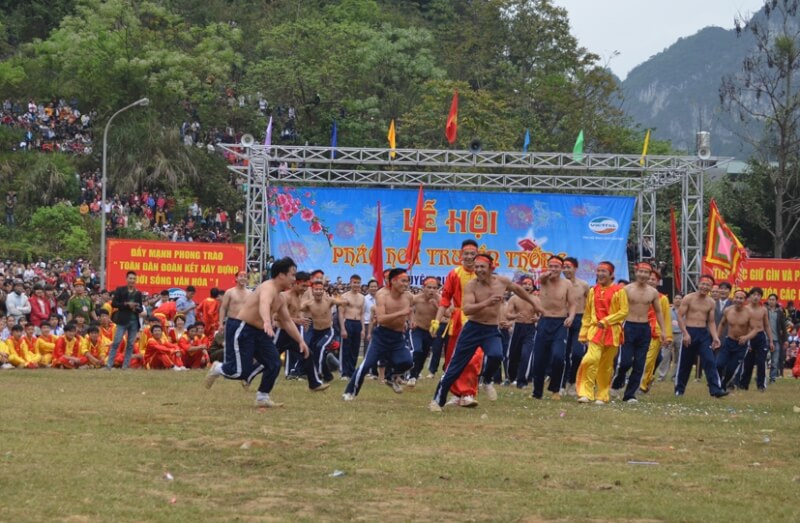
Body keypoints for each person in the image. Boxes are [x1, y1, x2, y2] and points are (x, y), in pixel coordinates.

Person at [429, 254, 542, 411]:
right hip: (472, 329)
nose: (478, 270)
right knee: (455, 366)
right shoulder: (471, 285)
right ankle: (437, 401)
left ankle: (487, 380)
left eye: (482, 266)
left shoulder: (501, 282)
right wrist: (486, 302)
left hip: (491, 329)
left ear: (491, 267)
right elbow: (467, 309)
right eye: (476, 267)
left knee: (496, 355)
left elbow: (518, 289)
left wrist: (533, 303)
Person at [205, 257, 310, 408]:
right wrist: (267, 320)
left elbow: (287, 321)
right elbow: (264, 304)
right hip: (243, 328)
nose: (294, 279)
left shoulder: (280, 297)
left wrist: (301, 341)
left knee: (274, 362)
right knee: (240, 372)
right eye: (292, 275)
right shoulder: (268, 287)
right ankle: (218, 368)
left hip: (260, 332)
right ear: (281, 275)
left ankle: (262, 397)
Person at [343, 268, 415, 401]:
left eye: (407, 281)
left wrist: (410, 321)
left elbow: (410, 310)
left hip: (398, 337)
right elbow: (381, 319)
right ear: (393, 281)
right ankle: (350, 392)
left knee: (408, 362)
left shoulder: (408, 296)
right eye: (403, 281)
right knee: (366, 365)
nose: (406, 284)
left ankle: (391, 376)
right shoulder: (382, 295)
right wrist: (401, 313)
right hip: (381, 336)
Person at [431, 239, 482, 407]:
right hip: (458, 320)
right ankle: (456, 393)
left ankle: (468, 393)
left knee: (474, 357)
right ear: (461, 255)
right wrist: (437, 321)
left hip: (477, 320)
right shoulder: (454, 274)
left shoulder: (483, 274)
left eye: (472, 254)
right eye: (466, 254)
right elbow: (445, 299)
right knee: (453, 358)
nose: (469, 257)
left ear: (477, 255)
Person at [609, 262, 666, 402]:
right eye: (641, 272)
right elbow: (617, 309)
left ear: (649, 275)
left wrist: (663, 331)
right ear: (636, 273)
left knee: (640, 363)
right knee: (625, 362)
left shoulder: (653, 292)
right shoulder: (627, 289)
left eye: (646, 272)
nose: (643, 275)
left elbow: (658, 311)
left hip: (644, 328)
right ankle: (616, 383)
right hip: (628, 327)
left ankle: (630, 395)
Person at [576, 261, 629, 404]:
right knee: (590, 359)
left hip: (613, 331)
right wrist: (583, 332)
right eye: (598, 271)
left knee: (606, 366)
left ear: (611, 274)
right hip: (596, 330)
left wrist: (607, 321)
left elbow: (624, 311)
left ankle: (602, 395)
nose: (599, 274)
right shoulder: (592, 291)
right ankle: (585, 393)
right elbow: (588, 313)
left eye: (603, 271)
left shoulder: (619, 291)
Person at [530, 256, 576, 401]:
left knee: (558, 357)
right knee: (539, 359)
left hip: (560, 324)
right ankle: (537, 392)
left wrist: (571, 317)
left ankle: (555, 389)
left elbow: (572, 303)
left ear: (561, 268)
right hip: (544, 321)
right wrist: (547, 274)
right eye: (551, 266)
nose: (553, 269)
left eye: (556, 267)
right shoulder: (544, 279)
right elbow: (542, 278)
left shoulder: (567, 284)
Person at [675, 275, 727, 398]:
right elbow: (680, 316)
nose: (704, 287)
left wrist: (715, 337)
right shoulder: (689, 298)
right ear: (698, 284)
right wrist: (685, 333)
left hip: (703, 334)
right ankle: (679, 390)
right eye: (703, 284)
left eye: (708, 285)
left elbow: (711, 321)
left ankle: (716, 389)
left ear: (711, 288)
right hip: (689, 332)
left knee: (710, 361)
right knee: (685, 363)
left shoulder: (711, 302)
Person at [301, 280, 347, 383]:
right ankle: (328, 376)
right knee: (316, 353)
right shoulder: (309, 303)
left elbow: (343, 302)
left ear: (323, 291)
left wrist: (340, 299)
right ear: (312, 291)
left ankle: (318, 373)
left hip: (328, 331)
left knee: (320, 347)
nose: (318, 291)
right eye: (316, 289)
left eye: (320, 289)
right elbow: (299, 308)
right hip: (315, 332)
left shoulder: (329, 301)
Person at [716, 289, 756, 390]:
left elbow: (755, 330)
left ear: (745, 300)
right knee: (718, 365)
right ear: (733, 298)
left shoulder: (749, 313)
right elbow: (722, 324)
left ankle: (724, 385)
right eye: (736, 297)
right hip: (728, 342)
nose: (738, 300)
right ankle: (718, 383)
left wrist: (746, 337)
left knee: (731, 369)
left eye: (741, 298)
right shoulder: (728, 310)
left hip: (741, 345)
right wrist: (716, 338)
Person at [639, 269, 671, 393]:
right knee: (640, 358)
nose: (650, 281)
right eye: (649, 279)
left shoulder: (662, 298)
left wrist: (667, 336)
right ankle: (648, 379)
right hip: (639, 329)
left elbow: (666, 317)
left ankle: (642, 386)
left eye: (653, 279)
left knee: (649, 360)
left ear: (658, 282)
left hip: (655, 333)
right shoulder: (638, 295)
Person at [561, 257, 590, 396]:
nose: (566, 270)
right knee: (563, 354)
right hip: (563, 320)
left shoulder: (583, 285)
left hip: (579, 320)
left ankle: (572, 381)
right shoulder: (559, 284)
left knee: (578, 353)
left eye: (569, 267)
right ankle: (561, 384)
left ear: (575, 268)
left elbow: (590, 304)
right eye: (564, 267)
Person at [737, 287, 774, 391]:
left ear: (761, 297)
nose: (756, 297)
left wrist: (771, 341)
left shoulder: (763, 309)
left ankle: (761, 385)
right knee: (748, 362)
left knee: (761, 362)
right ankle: (743, 385)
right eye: (754, 294)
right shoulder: (745, 309)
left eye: (758, 295)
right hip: (748, 337)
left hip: (761, 336)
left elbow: (767, 325)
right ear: (750, 296)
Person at [105, 271, 144, 369]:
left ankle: (125, 366)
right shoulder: (120, 290)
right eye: (130, 278)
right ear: (126, 279)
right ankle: (109, 365)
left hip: (134, 321)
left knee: (130, 344)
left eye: (134, 279)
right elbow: (114, 304)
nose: (132, 280)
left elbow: (140, 308)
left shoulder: (138, 293)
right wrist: (126, 305)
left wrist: (135, 308)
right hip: (122, 320)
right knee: (116, 342)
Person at [504, 277, 538, 388]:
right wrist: (515, 316)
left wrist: (537, 319)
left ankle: (522, 381)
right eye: (525, 284)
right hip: (517, 328)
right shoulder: (514, 298)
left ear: (532, 287)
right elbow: (507, 314)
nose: (527, 286)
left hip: (530, 329)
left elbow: (543, 314)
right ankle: (510, 377)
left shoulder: (536, 300)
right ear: (520, 286)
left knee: (526, 355)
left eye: (529, 284)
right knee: (513, 355)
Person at [408, 277, 441, 386]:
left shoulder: (439, 299)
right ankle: (410, 374)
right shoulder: (416, 298)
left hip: (430, 331)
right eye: (429, 287)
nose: (432, 290)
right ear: (423, 288)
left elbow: (448, 313)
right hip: (417, 329)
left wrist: (437, 306)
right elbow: (407, 308)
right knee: (417, 350)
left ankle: (415, 374)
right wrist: (412, 319)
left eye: (434, 288)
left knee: (423, 355)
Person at [217, 270, 251, 364]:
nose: (243, 278)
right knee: (230, 344)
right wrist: (221, 324)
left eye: (245, 276)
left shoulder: (250, 293)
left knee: (244, 344)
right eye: (241, 276)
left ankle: (241, 365)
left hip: (245, 322)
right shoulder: (230, 292)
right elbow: (223, 308)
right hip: (232, 322)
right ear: (236, 278)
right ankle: (228, 365)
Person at [339, 274, 365, 380]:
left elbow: (362, 314)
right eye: (354, 283)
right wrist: (343, 328)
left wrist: (363, 329)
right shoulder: (344, 296)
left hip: (357, 323)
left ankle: (351, 371)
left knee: (355, 348)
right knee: (346, 348)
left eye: (358, 283)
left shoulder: (362, 297)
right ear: (350, 283)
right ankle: (344, 372)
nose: (356, 285)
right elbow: (341, 313)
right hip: (348, 322)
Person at [657, 294, 683, 381]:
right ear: (673, 299)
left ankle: (675, 375)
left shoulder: (684, 310)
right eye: (676, 298)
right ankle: (662, 375)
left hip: (680, 334)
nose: (678, 300)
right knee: (665, 355)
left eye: (680, 298)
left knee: (678, 356)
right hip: (669, 334)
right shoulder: (668, 309)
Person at [766, 293, 786, 382]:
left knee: (775, 361)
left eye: (773, 299)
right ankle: (762, 378)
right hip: (765, 339)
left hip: (777, 339)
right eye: (770, 299)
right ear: (768, 300)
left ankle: (772, 378)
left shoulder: (780, 313)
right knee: (762, 360)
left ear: (776, 301)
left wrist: (785, 340)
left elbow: (783, 327)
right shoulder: (764, 311)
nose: (771, 301)